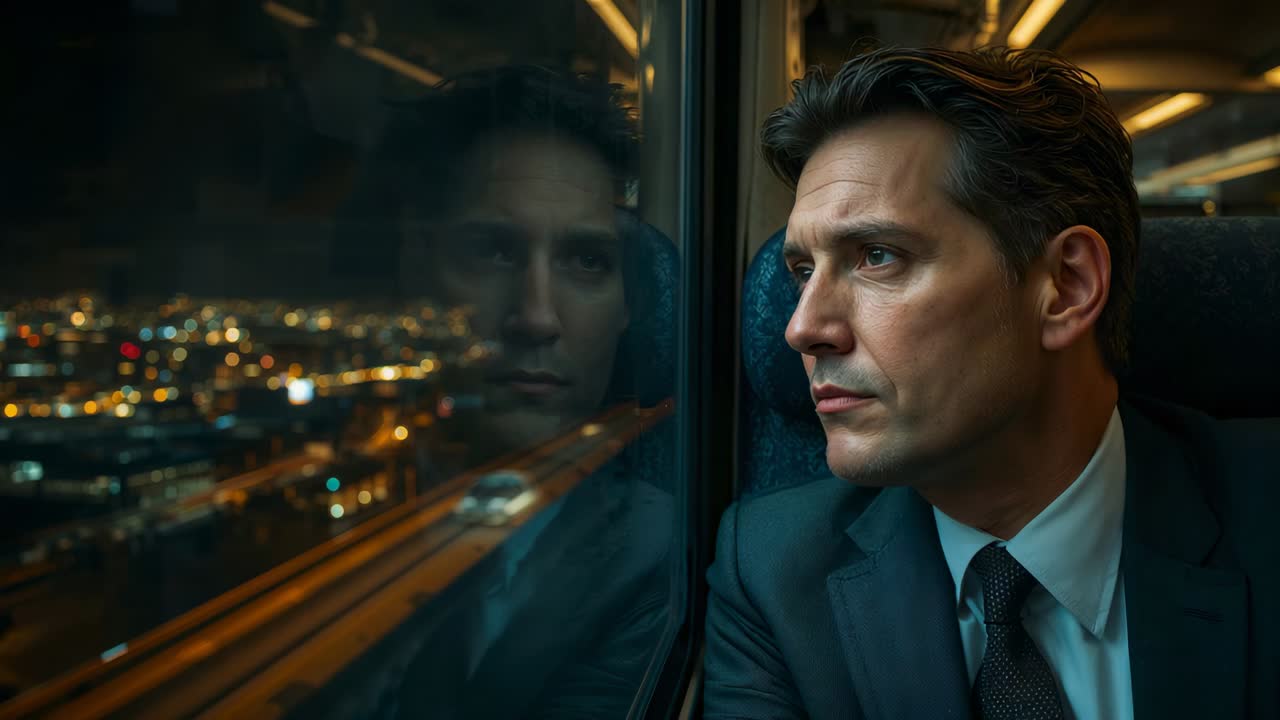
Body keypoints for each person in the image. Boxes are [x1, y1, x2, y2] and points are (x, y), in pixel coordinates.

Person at [704, 46, 1280, 720]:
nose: (802, 328)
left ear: (1066, 286)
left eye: (877, 256)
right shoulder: (773, 573)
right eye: (804, 271)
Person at [317, 66, 675, 720]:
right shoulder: (323, 532)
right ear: (414, 267)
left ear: (628, 304)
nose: (536, 317)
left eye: (587, 261)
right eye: (492, 252)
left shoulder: (662, 558)